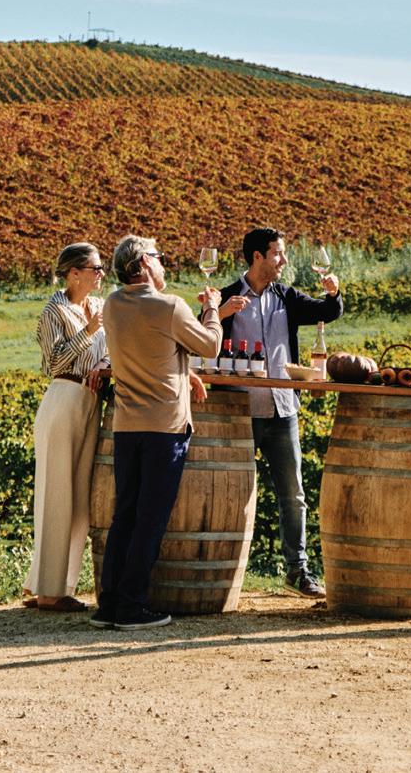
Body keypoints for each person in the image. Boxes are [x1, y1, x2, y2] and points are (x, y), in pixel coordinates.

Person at [95, 233, 226, 630]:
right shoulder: (170, 306)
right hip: (164, 428)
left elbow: (150, 350)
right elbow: (210, 345)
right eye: (159, 257)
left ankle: (109, 604)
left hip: (126, 426)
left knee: (125, 516)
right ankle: (132, 606)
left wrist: (184, 373)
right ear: (144, 263)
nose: (164, 263)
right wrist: (213, 309)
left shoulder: (112, 306)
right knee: (150, 520)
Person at [217, 227, 342, 597]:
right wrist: (219, 312)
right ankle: (220, 571)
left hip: (283, 409)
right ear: (258, 256)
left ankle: (297, 571)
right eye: (278, 253)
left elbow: (327, 311)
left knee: (293, 496)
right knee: (230, 493)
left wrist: (334, 293)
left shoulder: (286, 296)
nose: (283, 260)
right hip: (239, 412)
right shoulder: (227, 296)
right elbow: (201, 337)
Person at [25, 243, 111, 611]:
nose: (101, 274)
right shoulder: (54, 311)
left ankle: (58, 585)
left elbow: (105, 353)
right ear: (74, 274)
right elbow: (53, 363)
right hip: (63, 399)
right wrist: (89, 330)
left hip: (91, 402)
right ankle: (49, 591)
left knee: (79, 502)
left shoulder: (98, 306)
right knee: (56, 496)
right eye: (95, 268)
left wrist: (103, 364)